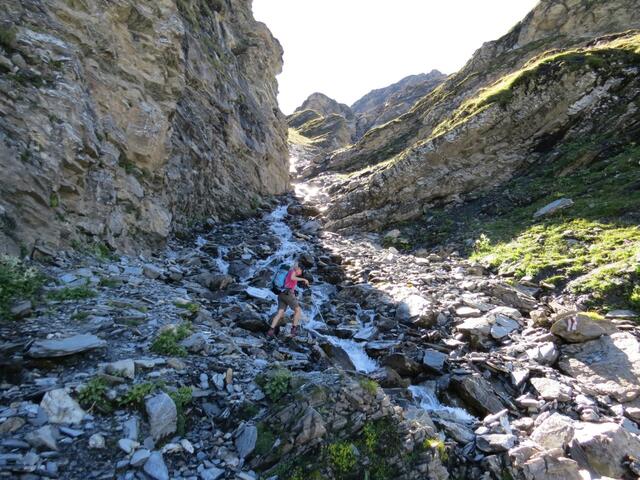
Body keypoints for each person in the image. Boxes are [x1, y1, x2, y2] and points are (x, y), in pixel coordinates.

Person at [268, 262, 309, 337]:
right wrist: (304, 279)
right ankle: (293, 330)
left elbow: (291, 282)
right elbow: (292, 278)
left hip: (281, 294)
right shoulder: (292, 271)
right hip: (287, 294)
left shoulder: (289, 272)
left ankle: (271, 330)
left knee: (280, 313)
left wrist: (301, 282)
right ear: (299, 269)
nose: (301, 273)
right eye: (301, 271)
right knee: (298, 310)